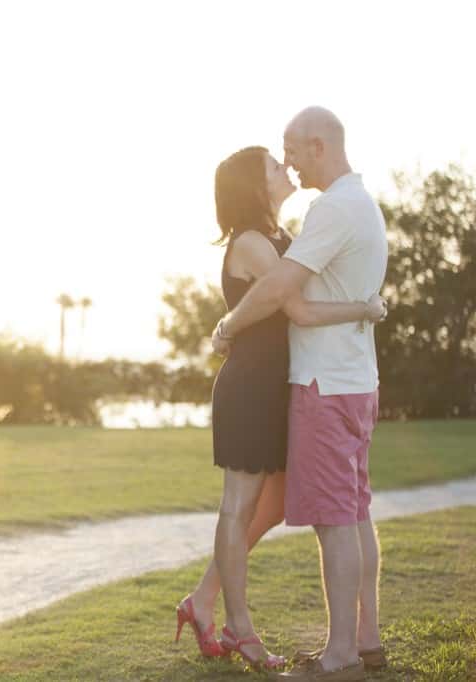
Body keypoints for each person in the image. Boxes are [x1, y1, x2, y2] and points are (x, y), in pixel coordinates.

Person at [174, 144, 385, 673]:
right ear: (255, 185)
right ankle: (238, 627)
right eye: (273, 165)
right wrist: (364, 307)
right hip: (251, 387)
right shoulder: (251, 244)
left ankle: (201, 601)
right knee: (239, 506)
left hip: (278, 387)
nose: (284, 169)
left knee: (275, 500)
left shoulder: (275, 238)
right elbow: (297, 307)